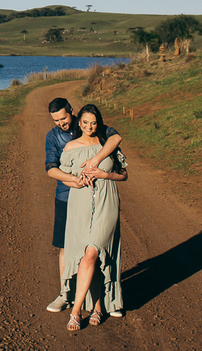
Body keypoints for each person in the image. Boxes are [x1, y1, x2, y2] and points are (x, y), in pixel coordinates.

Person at [44, 98, 123, 312]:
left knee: (97, 246)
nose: (60, 123)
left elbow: (115, 138)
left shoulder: (91, 124)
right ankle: (64, 294)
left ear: (72, 112)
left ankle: (105, 297)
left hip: (98, 197)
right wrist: (74, 180)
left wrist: (95, 160)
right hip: (66, 196)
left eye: (63, 118)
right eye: (56, 120)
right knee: (65, 247)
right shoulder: (53, 136)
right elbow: (51, 168)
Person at [60, 103, 127, 331]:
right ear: (79, 123)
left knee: (93, 252)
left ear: (99, 123)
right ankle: (98, 306)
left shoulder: (105, 145)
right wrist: (77, 181)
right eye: (85, 122)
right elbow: (64, 177)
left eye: (94, 122)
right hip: (79, 203)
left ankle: (75, 311)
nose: (89, 126)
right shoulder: (70, 146)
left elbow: (124, 174)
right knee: (87, 257)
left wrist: (103, 173)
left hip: (107, 201)